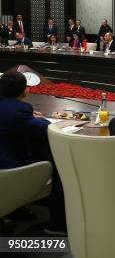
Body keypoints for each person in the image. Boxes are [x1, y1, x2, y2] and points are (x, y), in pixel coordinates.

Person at [0, 71, 66, 234]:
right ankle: (57, 225)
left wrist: (29, 117)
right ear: (25, 91)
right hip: (9, 169)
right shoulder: (21, 110)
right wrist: (38, 119)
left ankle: (14, 210)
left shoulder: (13, 108)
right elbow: (44, 130)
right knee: (61, 168)